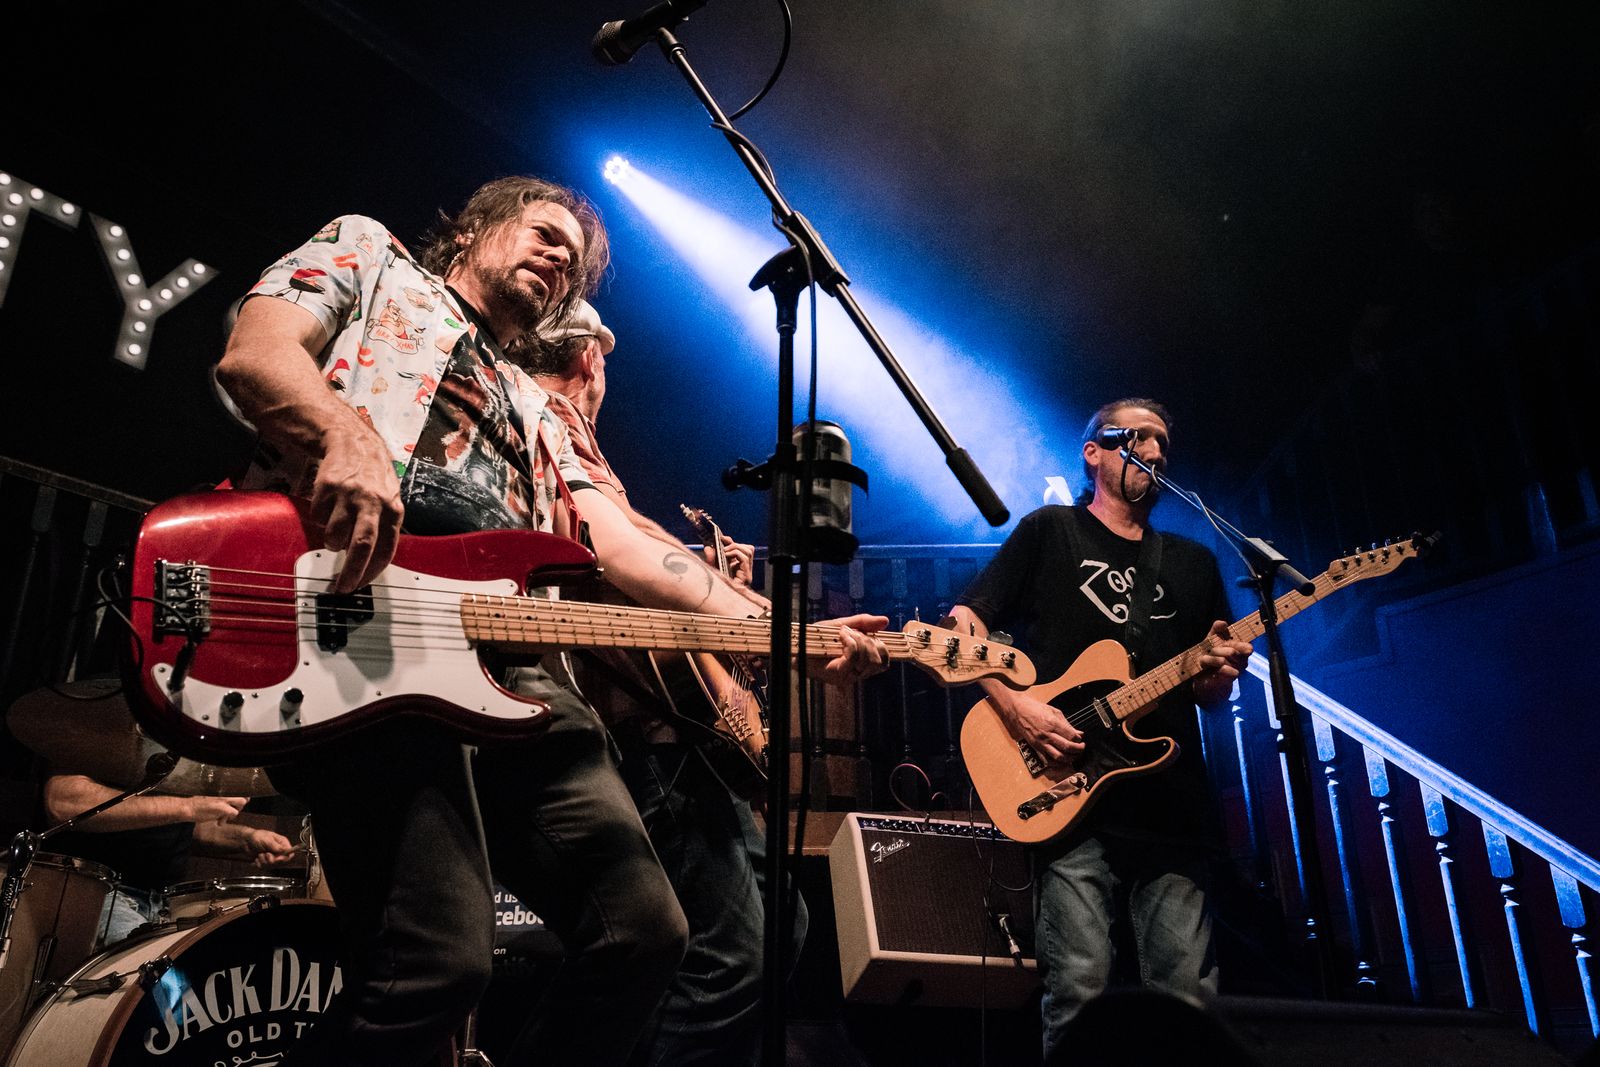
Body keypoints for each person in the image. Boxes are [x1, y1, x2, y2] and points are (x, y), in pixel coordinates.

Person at [213, 175, 889, 1067]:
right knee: (434, 964)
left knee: (645, 931)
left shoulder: (537, 408)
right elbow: (255, 353)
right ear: (471, 232)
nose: (560, 257)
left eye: (573, 261)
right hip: (370, 620)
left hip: (513, 661)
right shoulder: (373, 257)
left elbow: (621, 544)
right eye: (544, 233)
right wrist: (341, 433)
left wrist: (782, 634)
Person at [513, 299, 793, 1067]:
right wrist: (755, 619)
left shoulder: (578, 444)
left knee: (777, 929)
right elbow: (616, 547)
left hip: (667, 732)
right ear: (591, 358)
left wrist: (720, 588)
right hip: (646, 731)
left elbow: (633, 534)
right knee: (725, 958)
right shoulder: (548, 416)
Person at [947, 398, 1253, 1066]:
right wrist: (1014, 706)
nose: (1156, 450)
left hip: (1171, 803)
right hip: (1067, 792)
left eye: (1163, 441)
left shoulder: (1195, 562)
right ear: (1094, 452)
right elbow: (965, 623)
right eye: (1139, 436)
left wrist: (1221, 674)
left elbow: (1209, 696)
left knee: (1187, 1004)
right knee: (1078, 992)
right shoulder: (1050, 531)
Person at [42, 772, 298, 944]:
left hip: (164, 901)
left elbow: (183, 829)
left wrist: (246, 839)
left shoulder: (182, 750)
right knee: (157, 982)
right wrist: (188, 806)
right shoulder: (107, 729)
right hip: (91, 891)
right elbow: (61, 801)